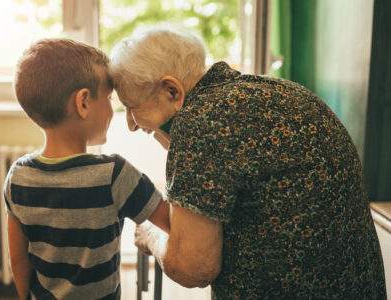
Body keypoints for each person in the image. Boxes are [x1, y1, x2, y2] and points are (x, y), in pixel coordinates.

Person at [109, 27, 386, 299]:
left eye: (132, 106)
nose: (131, 124)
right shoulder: (276, 91)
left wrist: (152, 237)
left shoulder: (201, 121)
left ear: (172, 91)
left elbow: (193, 267)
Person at [5, 38, 170, 300]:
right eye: (108, 96)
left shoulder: (18, 176)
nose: (113, 107)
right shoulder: (115, 175)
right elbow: (173, 222)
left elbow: (18, 258)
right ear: (83, 102)